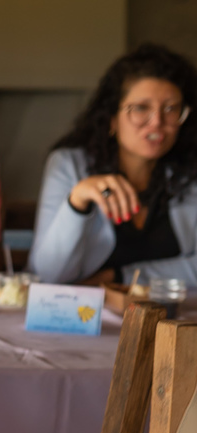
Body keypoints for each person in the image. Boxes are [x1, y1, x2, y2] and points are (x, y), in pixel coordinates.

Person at [29, 43, 197, 286]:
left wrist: (119, 278)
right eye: (141, 108)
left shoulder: (190, 172)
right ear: (112, 119)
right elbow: (47, 275)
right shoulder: (69, 165)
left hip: (171, 320)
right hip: (83, 318)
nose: (157, 122)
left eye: (171, 109)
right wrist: (77, 203)